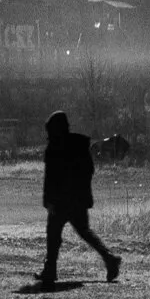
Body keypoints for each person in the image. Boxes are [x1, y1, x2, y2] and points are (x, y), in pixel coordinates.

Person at [37, 110, 120, 287]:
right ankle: (109, 258)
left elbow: (50, 177)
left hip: (60, 200)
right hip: (77, 199)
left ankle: (50, 270)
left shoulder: (54, 147)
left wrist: (48, 199)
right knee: (83, 232)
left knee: (54, 234)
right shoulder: (79, 145)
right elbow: (89, 170)